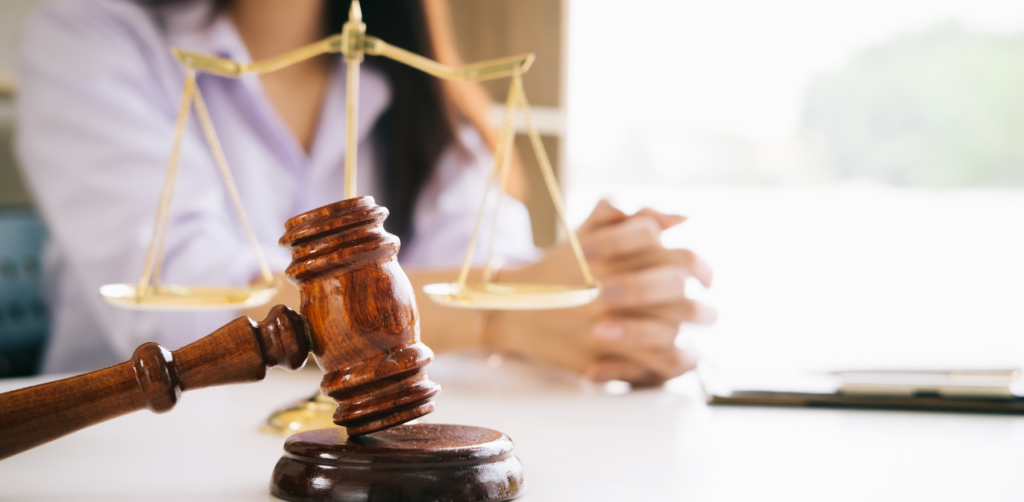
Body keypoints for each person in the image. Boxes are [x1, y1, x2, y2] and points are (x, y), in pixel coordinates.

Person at [16, 0, 715, 384]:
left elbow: (492, 258)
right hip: (131, 449)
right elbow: (191, 315)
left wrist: (609, 309)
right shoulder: (87, 28)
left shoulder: (416, 86)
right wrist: (502, 314)